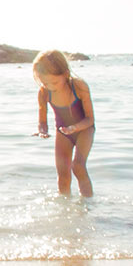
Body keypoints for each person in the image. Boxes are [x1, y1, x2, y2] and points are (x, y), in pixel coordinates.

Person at [32, 49, 95, 196]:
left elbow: (90, 119)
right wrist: (42, 131)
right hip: (63, 132)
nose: (50, 86)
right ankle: (65, 207)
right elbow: (42, 121)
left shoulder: (79, 87)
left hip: (84, 129)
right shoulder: (44, 92)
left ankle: (88, 205)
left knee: (78, 166)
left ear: (66, 74)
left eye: (54, 82)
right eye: (45, 82)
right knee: (63, 174)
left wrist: (75, 127)